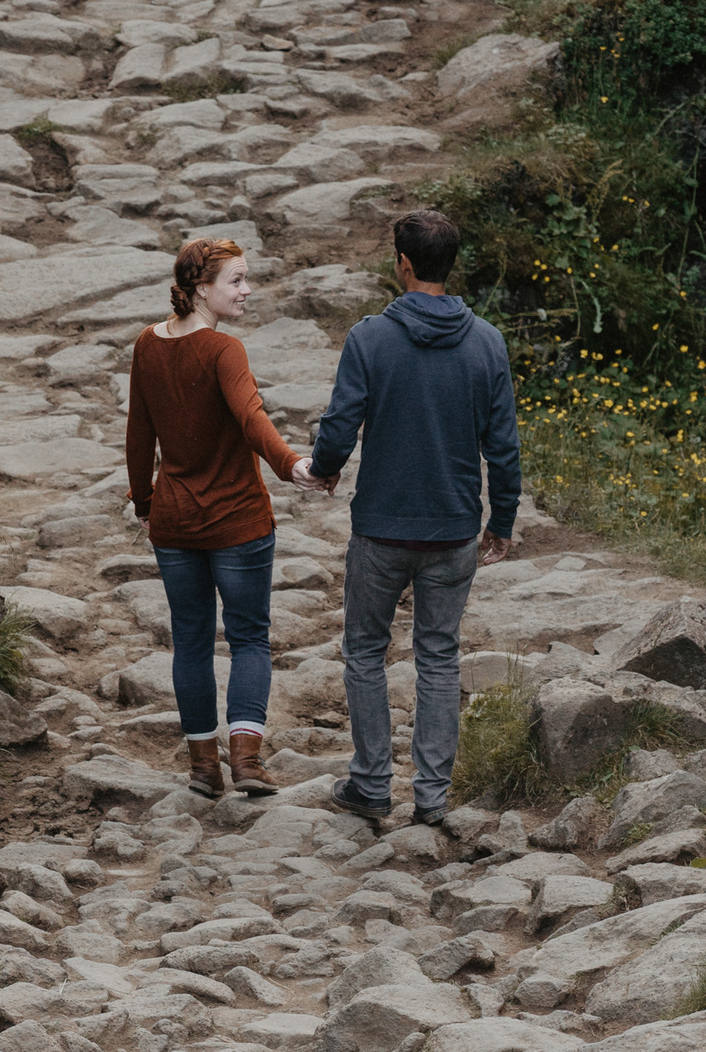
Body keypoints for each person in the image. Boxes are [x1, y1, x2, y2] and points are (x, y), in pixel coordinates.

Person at [304, 208, 521, 830]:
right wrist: (500, 520)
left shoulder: (370, 338)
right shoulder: (487, 343)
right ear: (450, 265)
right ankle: (432, 798)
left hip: (380, 527)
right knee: (439, 657)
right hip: (454, 529)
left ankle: (371, 783)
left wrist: (324, 468)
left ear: (403, 264)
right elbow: (502, 446)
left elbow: (342, 422)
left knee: (366, 651)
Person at [126, 236, 321, 800]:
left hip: (175, 523)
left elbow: (139, 435)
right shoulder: (222, 350)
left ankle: (203, 768)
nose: (246, 289)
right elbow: (251, 416)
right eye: (235, 280)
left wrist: (145, 503)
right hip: (238, 523)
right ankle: (248, 761)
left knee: (189, 642)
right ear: (199, 289)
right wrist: (292, 466)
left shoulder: (147, 345)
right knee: (250, 638)